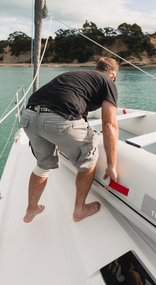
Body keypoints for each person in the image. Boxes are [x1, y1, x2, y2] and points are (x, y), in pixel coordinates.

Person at [19, 57, 119, 223]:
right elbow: (109, 125)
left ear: (95, 69)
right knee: (89, 157)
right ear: (112, 75)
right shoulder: (108, 82)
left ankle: (31, 209)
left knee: (43, 165)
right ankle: (80, 210)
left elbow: (70, 106)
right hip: (58, 118)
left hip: (29, 116)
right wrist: (111, 165)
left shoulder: (76, 76)